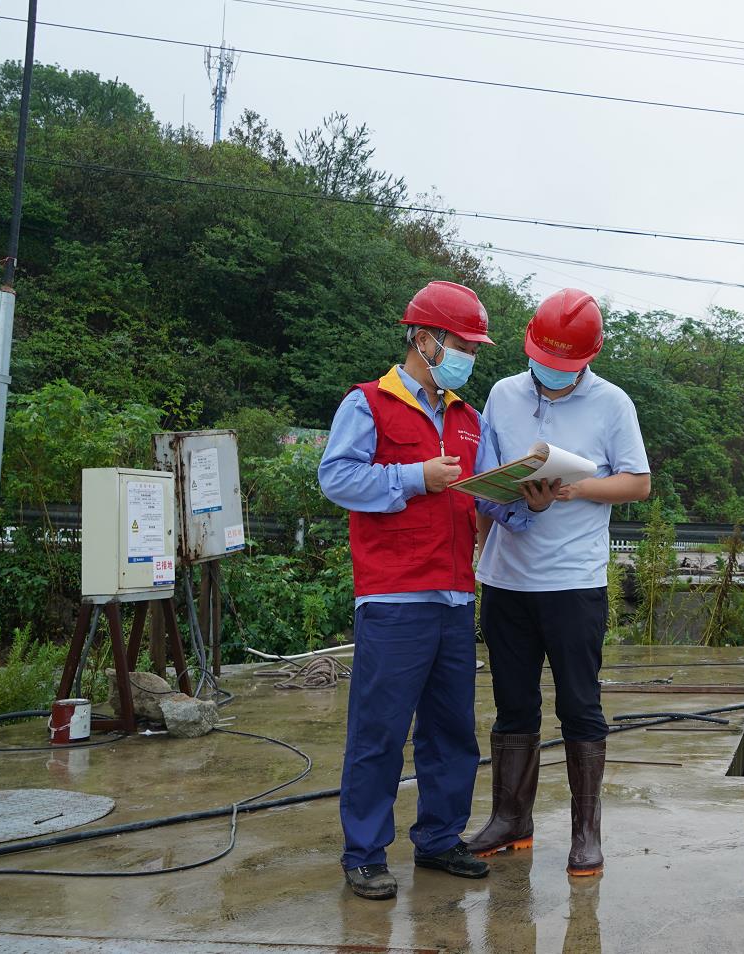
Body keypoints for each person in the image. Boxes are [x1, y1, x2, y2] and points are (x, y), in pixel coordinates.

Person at [317, 280, 495, 899]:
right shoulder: (368, 402)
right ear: (423, 338)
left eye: (472, 348)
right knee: (380, 732)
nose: (467, 356)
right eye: (461, 345)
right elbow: (337, 478)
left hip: (455, 597)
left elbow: (482, 499)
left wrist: (525, 498)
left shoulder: (469, 419)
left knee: (452, 733)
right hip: (394, 597)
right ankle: (365, 853)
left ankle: (440, 839)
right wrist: (416, 477)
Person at [466, 288, 650, 878]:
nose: (549, 373)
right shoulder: (503, 394)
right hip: (506, 579)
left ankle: (586, 834)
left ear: (589, 358)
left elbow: (638, 482)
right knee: (513, 704)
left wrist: (576, 488)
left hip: (573, 582)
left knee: (579, 705)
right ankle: (511, 819)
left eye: (563, 364)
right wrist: (481, 548)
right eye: (542, 360)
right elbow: (485, 480)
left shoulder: (612, 403)